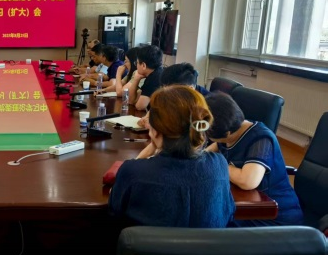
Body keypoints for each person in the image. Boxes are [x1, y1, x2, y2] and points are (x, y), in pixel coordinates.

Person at [109, 85, 234, 229]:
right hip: (210, 244)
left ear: (155, 130)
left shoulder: (133, 172)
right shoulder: (219, 164)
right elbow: (228, 214)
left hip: (145, 244)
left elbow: (114, 211)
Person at [205, 92, 303, 226]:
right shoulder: (230, 129)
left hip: (273, 218)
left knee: (209, 223)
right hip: (246, 205)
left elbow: (248, 181)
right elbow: (208, 153)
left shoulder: (261, 139)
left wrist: (217, 163)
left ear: (227, 133)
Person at [126, 44, 163, 110]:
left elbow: (139, 106)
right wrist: (136, 79)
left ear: (143, 65)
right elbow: (131, 100)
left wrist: (136, 79)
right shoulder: (158, 72)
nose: (136, 66)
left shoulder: (153, 79)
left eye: (137, 63)